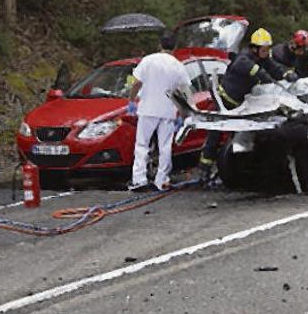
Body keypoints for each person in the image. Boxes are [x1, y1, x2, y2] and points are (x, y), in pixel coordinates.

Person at [198, 28, 298, 179]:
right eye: (264, 49)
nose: (267, 52)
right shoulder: (243, 59)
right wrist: (273, 82)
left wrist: (286, 74)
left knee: (236, 136)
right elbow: (261, 74)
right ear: (255, 48)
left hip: (239, 104)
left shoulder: (261, 57)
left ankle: (226, 168)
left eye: (268, 49)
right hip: (225, 102)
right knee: (215, 135)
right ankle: (204, 170)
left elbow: (273, 67)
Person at [126, 33, 193, 192]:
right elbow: (185, 91)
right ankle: (162, 180)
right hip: (168, 111)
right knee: (165, 146)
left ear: (159, 45)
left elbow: (136, 83)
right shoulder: (178, 65)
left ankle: (139, 179)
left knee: (142, 144)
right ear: (175, 47)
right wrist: (184, 114)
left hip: (147, 109)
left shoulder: (148, 60)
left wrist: (131, 101)